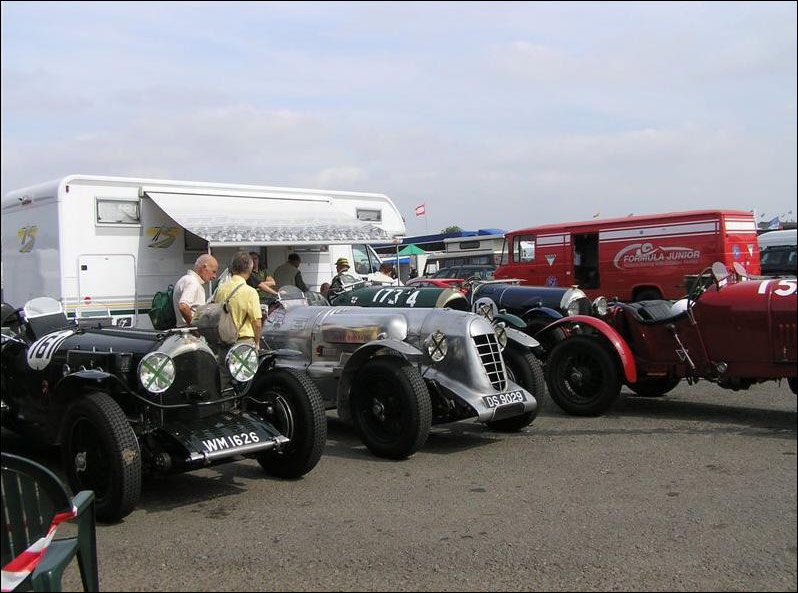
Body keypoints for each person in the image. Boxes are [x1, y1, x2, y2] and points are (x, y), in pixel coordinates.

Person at [213, 252, 262, 385]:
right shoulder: (250, 292)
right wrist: (257, 343)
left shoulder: (220, 289)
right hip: (243, 342)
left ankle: (225, 399)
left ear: (233, 268)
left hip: (223, 341)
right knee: (244, 380)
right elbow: (257, 322)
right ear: (250, 269)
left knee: (224, 380)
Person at [173, 254, 218, 327]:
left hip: (184, 328)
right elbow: (183, 306)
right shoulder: (193, 282)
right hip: (189, 331)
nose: (214, 276)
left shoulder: (186, 279)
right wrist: (194, 327)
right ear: (204, 267)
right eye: (213, 272)